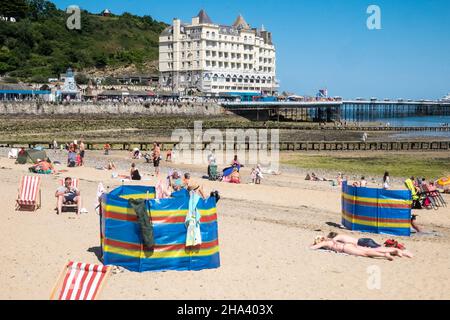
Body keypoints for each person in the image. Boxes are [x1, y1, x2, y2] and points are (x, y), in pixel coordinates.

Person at [311, 236, 403, 261]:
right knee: (369, 250)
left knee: (365, 254)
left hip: (345, 248)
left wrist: (311, 246)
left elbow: (313, 248)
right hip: (349, 244)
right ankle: (393, 251)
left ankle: (384, 255)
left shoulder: (325, 243)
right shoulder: (330, 240)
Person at [326, 232, 413, 257]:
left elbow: (333, 240)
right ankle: (398, 250)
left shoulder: (339, 236)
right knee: (380, 248)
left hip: (362, 242)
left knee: (380, 249)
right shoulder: (342, 236)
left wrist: (326, 240)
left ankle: (402, 251)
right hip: (364, 240)